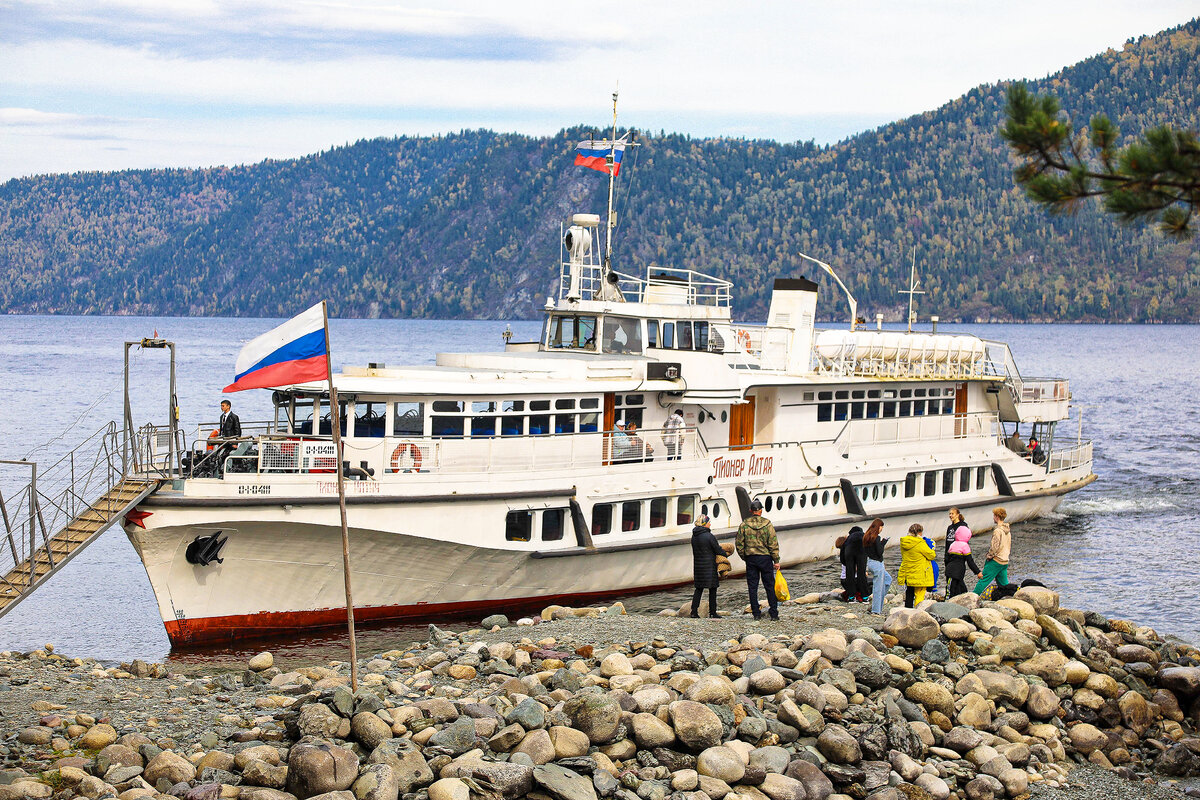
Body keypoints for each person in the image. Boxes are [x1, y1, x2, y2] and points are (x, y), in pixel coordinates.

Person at [736, 498, 780, 620]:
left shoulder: (744, 525)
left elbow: (739, 544)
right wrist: (776, 560)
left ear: (751, 511)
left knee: (752, 586)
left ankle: (756, 613)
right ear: (760, 511)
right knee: (769, 586)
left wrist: (744, 557)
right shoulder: (768, 524)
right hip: (765, 558)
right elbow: (773, 543)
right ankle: (774, 613)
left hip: (751, 558)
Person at [945, 507, 982, 598]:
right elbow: (947, 544)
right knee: (956, 582)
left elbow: (965, 539)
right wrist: (946, 560)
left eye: (952, 513)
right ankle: (964, 597)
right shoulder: (950, 528)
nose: (950, 515)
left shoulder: (963, 526)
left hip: (959, 557)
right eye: (949, 514)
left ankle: (955, 599)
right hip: (951, 557)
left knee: (955, 583)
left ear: (957, 514)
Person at [689, 515, 722, 618]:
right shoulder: (709, 536)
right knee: (713, 589)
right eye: (709, 522)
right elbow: (717, 549)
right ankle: (713, 612)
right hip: (709, 566)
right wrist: (725, 553)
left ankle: (694, 612)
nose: (710, 524)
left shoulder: (694, 536)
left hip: (698, 566)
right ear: (704, 523)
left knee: (699, 589)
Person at [974, 507, 1012, 595]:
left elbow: (994, 547)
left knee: (983, 580)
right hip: (1005, 560)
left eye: (994, 516)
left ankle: (973, 597)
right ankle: (1009, 597)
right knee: (1003, 584)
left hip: (996, 561)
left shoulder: (997, 531)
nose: (993, 518)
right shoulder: (1008, 531)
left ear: (997, 517)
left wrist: (989, 556)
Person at [897, 523, 935, 607]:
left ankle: (908, 610)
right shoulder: (920, 543)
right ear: (919, 533)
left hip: (908, 572)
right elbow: (931, 555)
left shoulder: (904, 542)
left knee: (909, 592)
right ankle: (917, 613)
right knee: (919, 594)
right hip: (919, 573)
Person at [863, 518, 892, 614]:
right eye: (881, 527)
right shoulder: (877, 538)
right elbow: (880, 552)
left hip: (870, 562)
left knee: (888, 579)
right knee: (878, 588)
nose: (882, 529)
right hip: (877, 564)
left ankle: (876, 604)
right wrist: (883, 542)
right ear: (878, 527)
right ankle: (876, 611)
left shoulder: (866, 537)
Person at [842, 525, 867, 602]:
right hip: (861, 551)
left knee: (850, 574)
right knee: (861, 573)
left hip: (849, 552)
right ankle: (865, 597)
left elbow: (842, 553)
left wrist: (845, 562)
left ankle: (851, 597)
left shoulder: (848, 539)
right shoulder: (863, 535)